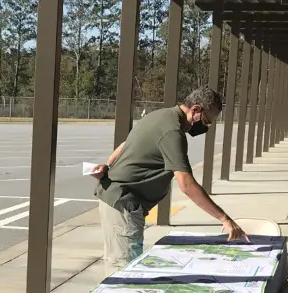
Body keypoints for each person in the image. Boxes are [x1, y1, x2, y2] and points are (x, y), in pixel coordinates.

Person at [93, 87, 247, 269]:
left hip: (117, 200)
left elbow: (124, 145)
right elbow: (186, 185)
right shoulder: (173, 132)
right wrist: (224, 218)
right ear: (195, 109)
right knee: (123, 269)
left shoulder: (160, 115)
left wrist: (108, 165)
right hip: (123, 203)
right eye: (206, 120)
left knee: (120, 262)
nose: (205, 127)